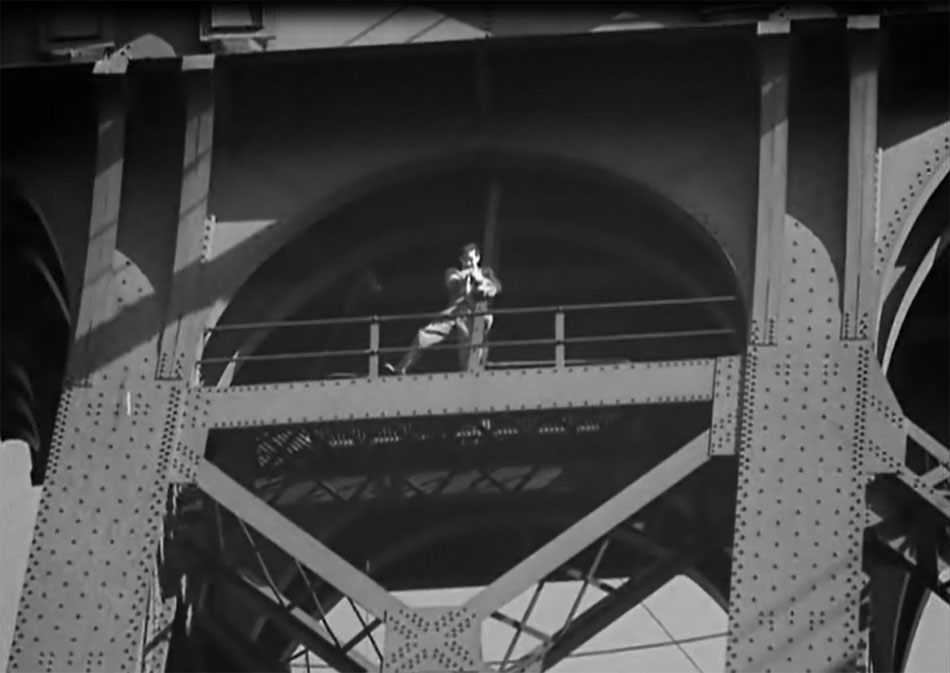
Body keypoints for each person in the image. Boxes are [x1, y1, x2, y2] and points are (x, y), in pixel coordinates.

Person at [385, 242, 502, 375]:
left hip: (473, 316)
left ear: (477, 258)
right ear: (461, 260)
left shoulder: (486, 273)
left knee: (470, 346)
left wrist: (479, 279)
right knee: (422, 336)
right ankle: (401, 368)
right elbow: (451, 281)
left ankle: (471, 375)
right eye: (465, 260)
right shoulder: (454, 272)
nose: (468, 263)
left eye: (471, 259)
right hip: (451, 315)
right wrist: (464, 278)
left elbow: (495, 289)